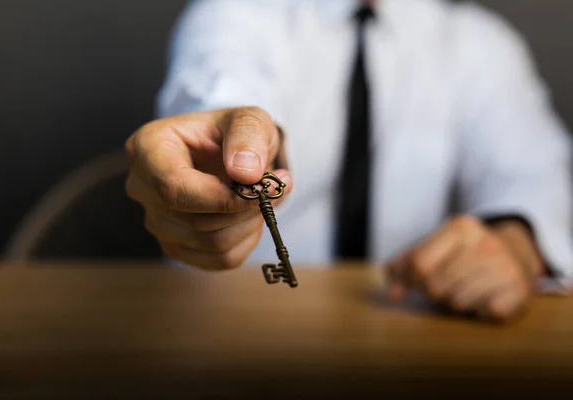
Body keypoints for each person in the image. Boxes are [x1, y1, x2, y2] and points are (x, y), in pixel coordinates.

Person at [124, 0, 573, 321]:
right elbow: (221, 83)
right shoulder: (235, 14)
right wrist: (243, 149)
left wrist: (517, 244)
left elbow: (534, 175)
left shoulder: (478, 44)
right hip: (235, 334)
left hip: (408, 331)